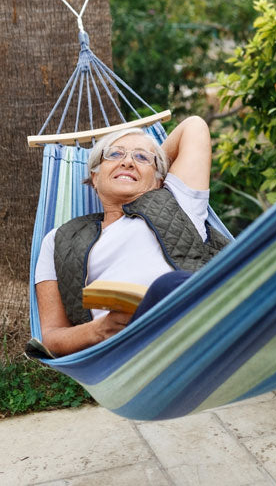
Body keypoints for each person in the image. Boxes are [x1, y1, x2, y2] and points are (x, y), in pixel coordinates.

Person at [34, 116, 229, 356]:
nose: (127, 162)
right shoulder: (58, 240)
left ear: (160, 180)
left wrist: (155, 168)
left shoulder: (178, 200)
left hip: (194, 322)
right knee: (170, 287)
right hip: (124, 353)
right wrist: (99, 330)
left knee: (171, 286)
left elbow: (195, 125)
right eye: (114, 155)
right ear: (94, 177)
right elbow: (51, 336)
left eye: (141, 157)